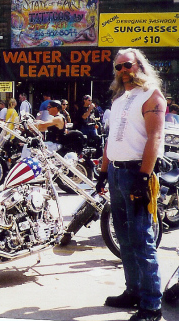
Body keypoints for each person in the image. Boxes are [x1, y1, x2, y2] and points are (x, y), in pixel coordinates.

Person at [95, 48, 165, 321]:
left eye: (127, 65)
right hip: (115, 172)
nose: (123, 71)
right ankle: (133, 291)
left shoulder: (152, 96)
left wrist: (144, 176)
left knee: (141, 238)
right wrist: (103, 171)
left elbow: (155, 139)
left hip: (137, 173)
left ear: (139, 66)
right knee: (124, 238)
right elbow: (113, 140)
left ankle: (151, 304)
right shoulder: (120, 99)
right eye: (118, 67)